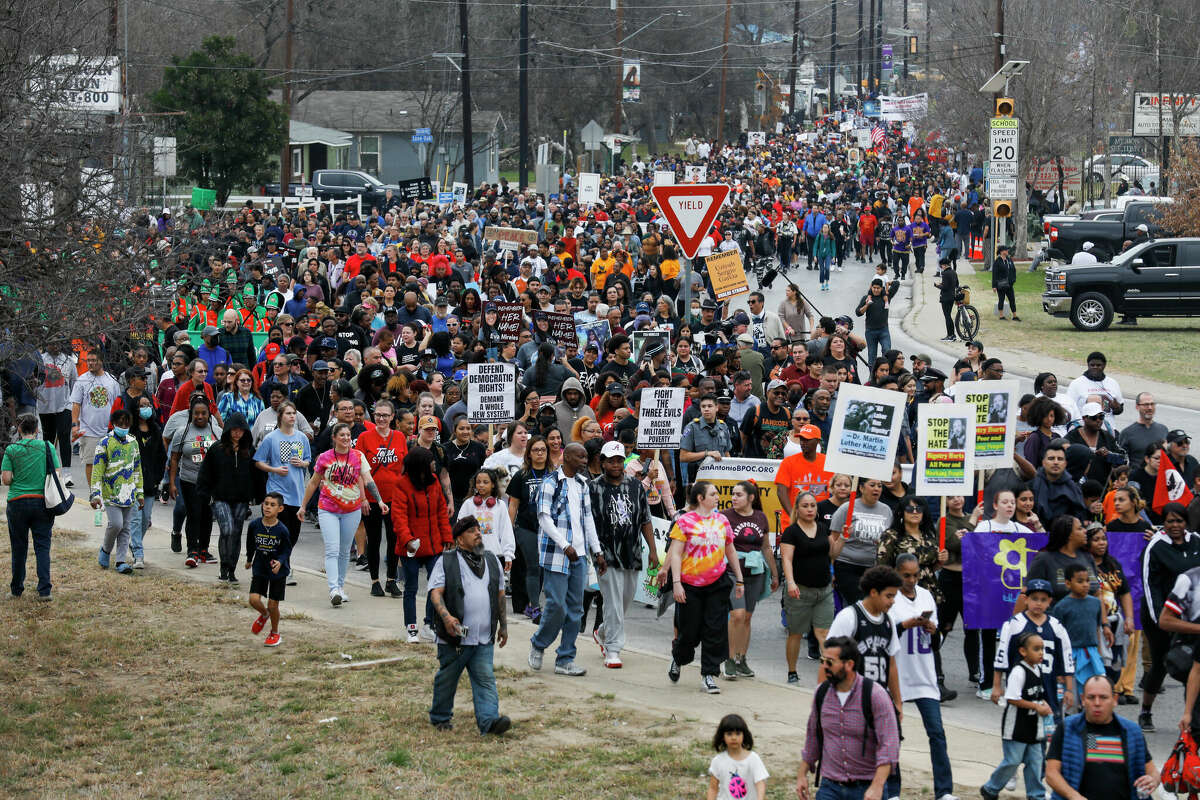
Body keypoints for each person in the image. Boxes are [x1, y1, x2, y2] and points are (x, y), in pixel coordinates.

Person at [427, 515, 512, 736]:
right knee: (448, 678)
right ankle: (440, 717)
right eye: (471, 531)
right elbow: (435, 593)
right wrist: (446, 618)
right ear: (459, 539)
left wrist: (503, 626)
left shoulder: (492, 560)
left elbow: (500, 594)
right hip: (455, 636)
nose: (477, 533)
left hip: (483, 636)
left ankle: (490, 722)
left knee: (485, 679)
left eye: (478, 530)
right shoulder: (446, 560)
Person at [658, 480, 745, 694]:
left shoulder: (722, 521)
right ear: (700, 498)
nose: (718, 497)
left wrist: (740, 579)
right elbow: (676, 553)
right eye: (713, 494)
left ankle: (709, 675)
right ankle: (678, 658)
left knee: (715, 630)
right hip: (690, 586)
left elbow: (730, 550)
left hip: (717, 583)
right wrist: (676, 583)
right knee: (689, 633)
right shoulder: (685, 521)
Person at [528, 442, 607, 677]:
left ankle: (565, 658)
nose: (585, 461)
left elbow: (588, 519)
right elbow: (544, 519)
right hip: (557, 556)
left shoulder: (583, 484)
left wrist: (598, 551)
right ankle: (539, 643)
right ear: (567, 457)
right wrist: (565, 545)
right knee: (556, 606)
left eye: (585, 458)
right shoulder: (550, 483)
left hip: (580, 556)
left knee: (576, 610)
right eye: (580, 457)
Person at [795, 636, 900, 800]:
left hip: (867, 788)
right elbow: (813, 736)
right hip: (830, 787)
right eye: (822, 660)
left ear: (849, 664)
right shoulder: (821, 694)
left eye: (829, 662)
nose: (824, 666)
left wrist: (877, 785)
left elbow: (889, 745)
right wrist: (802, 773)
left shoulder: (875, 695)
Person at [889, 554, 957, 800]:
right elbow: (885, 633)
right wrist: (905, 625)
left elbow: (937, 642)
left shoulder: (926, 595)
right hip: (898, 675)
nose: (912, 579)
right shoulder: (890, 598)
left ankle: (944, 791)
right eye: (906, 575)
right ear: (896, 573)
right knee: (893, 736)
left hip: (925, 674)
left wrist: (932, 629)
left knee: (937, 733)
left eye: (915, 574)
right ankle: (892, 790)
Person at [298, 421, 388, 607]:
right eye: (342, 435)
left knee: (345, 550)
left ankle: (340, 587)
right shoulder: (325, 457)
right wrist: (303, 506)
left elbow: (368, 479)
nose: (346, 438)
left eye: (348, 435)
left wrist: (379, 501)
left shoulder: (358, 456)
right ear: (334, 438)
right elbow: (314, 483)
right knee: (332, 548)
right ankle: (333, 589)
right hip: (328, 509)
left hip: (352, 510)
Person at [590, 440, 657, 669]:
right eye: (611, 461)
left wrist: (654, 552)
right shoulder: (593, 487)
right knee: (613, 601)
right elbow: (588, 523)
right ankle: (614, 649)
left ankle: (603, 632)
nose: (616, 465)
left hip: (631, 551)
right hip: (604, 552)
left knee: (625, 599)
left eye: (619, 460)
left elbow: (645, 520)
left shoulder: (636, 486)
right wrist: (595, 551)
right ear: (603, 462)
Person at [1045, 675, 1159, 800]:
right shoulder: (1068, 728)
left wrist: (1152, 779)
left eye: (1103, 697)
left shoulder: (1132, 732)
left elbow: (1152, 770)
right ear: (1083, 699)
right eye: (1091, 697)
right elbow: (1051, 773)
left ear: (1115, 699)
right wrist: (1074, 796)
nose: (1097, 703)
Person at [392, 446, 454, 643]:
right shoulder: (402, 485)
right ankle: (411, 628)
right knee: (410, 587)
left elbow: (441, 512)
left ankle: (429, 624)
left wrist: (447, 538)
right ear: (421, 466)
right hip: (411, 547)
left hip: (434, 545)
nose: (434, 464)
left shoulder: (434, 482)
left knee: (434, 586)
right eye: (431, 462)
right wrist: (408, 540)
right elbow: (399, 517)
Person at [993, 578, 1076, 723]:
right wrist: (996, 685)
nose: (1038, 603)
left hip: (1048, 684)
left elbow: (1066, 657)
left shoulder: (1056, 626)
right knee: (1021, 725)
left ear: (1049, 601)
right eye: (1034, 598)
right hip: (1022, 684)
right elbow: (1002, 656)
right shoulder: (1014, 624)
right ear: (1025, 599)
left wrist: (1069, 689)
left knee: (1049, 728)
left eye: (1043, 599)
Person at [980, 632, 1051, 800]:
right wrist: (1036, 706)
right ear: (1023, 651)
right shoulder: (1019, 672)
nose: (1041, 653)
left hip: (1034, 726)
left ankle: (1036, 795)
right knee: (1013, 760)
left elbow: (1038, 695)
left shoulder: (1038, 670)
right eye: (1036, 649)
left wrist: (1045, 704)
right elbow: (1012, 698)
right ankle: (990, 788)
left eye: (1042, 649)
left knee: (1036, 762)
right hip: (1016, 726)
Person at [720, 480, 777, 679]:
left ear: (751, 498)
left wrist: (775, 574)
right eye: (732, 494)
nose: (733, 498)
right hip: (732, 573)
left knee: (747, 617)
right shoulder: (724, 516)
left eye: (738, 495)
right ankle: (728, 659)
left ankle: (740, 658)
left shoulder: (761, 517)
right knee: (736, 614)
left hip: (755, 573)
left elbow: (766, 547)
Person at [252, 401, 311, 586]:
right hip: (277, 492)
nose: (292, 416)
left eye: (294, 413)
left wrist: (302, 463)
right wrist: (274, 469)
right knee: (278, 533)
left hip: (297, 493)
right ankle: (281, 567)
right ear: (280, 417)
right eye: (288, 413)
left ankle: (282, 561)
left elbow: (308, 460)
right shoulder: (271, 438)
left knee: (292, 535)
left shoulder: (302, 438)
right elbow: (258, 461)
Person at [3, 414, 57, 600]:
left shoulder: (11, 450)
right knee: (42, 546)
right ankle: (44, 590)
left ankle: (16, 588)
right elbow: (56, 473)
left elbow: (6, 479)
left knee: (19, 547)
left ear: (19, 429)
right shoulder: (47, 447)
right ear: (36, 430)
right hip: (42, 502)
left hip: (17, 502)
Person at [197, 412, 255, 584]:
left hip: (241, 499)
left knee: (236, 533)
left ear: (245, 431)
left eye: (241, 430)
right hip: (220, 497)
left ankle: (231, 570)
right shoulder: (217, 449)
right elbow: (205, 473)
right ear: (228, 430)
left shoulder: (249, 451)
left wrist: (255, 496)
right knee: (227, 529)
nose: (237, 433)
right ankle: (224, 566)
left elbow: (256, 475)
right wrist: (205, 494)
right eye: (234, 430)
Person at [355, 400, 405, 598]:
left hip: (394, 498)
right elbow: (358, 469)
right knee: (374, 540)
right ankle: (375, 581)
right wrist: (362, 498)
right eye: (378, 415)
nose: (381, 418)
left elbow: (403, 468)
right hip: (372, 499)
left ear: (393, 417)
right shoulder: (365, 437)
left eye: (385, 415)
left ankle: (391, 580)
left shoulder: (399, 437)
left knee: (394, 540)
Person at [168, 396, 222, 568]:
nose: (200, 416)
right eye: (196, 413)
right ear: (191, 414)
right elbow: (174, 459)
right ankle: (192, 550)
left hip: (210, 482)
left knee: (207, 516)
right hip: (189, 480)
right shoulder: (182, 432)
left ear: (209, 415)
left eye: (203, 413)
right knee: (194, 514)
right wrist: (172, 483)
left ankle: (204, 550)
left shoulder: (217, 432)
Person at [90, 408, 144, 576]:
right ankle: (106, 549)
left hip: (129, 494)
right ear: (113, 424)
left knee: (126, 528)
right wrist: (95, 493)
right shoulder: (104, 443)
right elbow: (97, 470)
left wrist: (140, 493)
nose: (124, 426)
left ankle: (121, 561)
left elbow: (137, 469)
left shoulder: (133, 442)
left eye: (126, 423)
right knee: (116, 524)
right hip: (110, 492)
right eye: (120, 423)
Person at [1050, 564, 1111, 705]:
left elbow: (1096, 630)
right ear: (1068, 583)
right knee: (1072, 697)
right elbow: (1056, 638)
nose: (1085, 585)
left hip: (1092, 655)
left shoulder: (1095, 603)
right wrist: (1059, 669)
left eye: (1087, 581)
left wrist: (1099, 655)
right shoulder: (1061, 607)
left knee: (1095, 691)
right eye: (1080, 581)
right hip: (1071, 656)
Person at [829, 479, 893, 607]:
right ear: (861, 488)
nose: (876, 489)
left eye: (879, 486)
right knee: (859, 605)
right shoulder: (847, 508)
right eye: (872, 485)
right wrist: (830, 570)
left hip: (874, 568)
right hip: (847, 565)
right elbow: (833, 538)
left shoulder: (886, 510)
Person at [244, 492, 293, 647]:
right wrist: (249, 559)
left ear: (280, 508)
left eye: (272, 505)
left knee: (273, 605)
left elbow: (287, 549)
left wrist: (280, 562)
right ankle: (264, 615)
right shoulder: (254, 525)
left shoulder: (282, 530)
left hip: (277, 570)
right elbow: (250, 543)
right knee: (253, 600)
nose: (267, 507)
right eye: (266, 503)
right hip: (260, 566)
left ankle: (275, 632)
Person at [71, 351, 120, 486]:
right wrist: (75, 425)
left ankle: (108, 491)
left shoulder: (112, 380)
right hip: (89, 430)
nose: (91, 363)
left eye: (94, 360)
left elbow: (117, 405)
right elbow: (76, 404)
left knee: (110, 464)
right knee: (91, 462)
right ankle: (94, 492)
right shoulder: (82, 380)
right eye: (88, 361)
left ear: (101, 361)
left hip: (109, 430)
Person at [707, 714, 769, 800]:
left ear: (744, 735)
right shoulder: (718, 761)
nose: (734, 737)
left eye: (738, 733)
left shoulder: (753, 759)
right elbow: (713, 788)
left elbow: (760, 783)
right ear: (722, 736)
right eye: (729, 734)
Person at [1118, 392, 1167, 468]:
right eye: (1146, 405)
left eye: (1152, 404)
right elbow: (1120, 461)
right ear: (1137, 407)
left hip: (1159, 477)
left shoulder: (1163, 430)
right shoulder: (1127, 433)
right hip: (1137, 477)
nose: (1150, 408)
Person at [934, 257, 959, 342]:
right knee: (949, 316)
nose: (941, 267)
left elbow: (944, 287)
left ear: (944, 265)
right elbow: (956, 284)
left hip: (945, 297)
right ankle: (952, 335)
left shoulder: (945, 273)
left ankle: (950, 335)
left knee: (947, 316)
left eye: (941, 266)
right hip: (952, 296)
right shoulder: (954, 272)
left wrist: (937, 285)